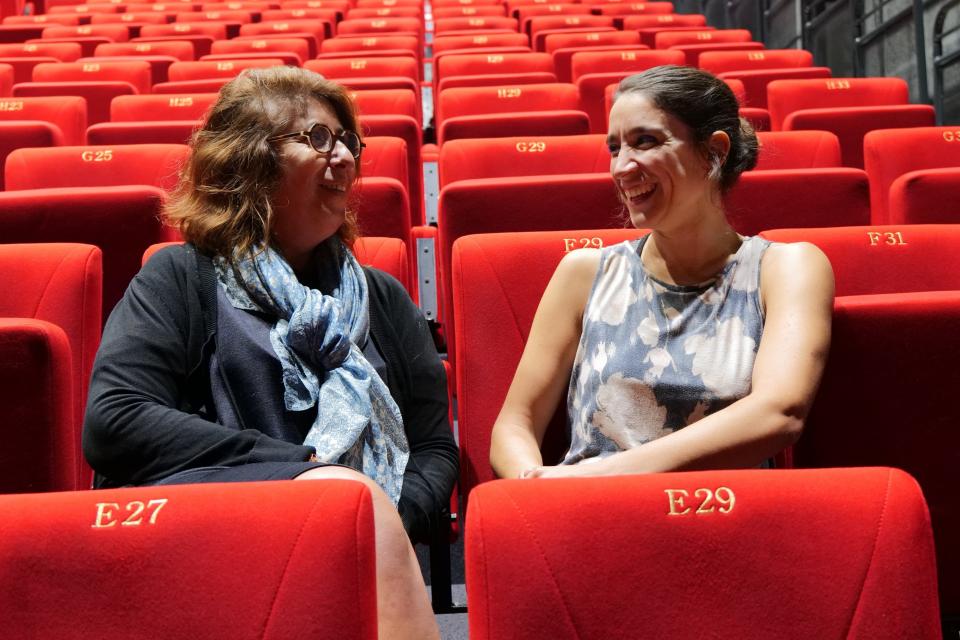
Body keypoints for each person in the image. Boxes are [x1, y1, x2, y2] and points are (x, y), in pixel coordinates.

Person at [82, 66, 454, 640]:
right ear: (250, 162)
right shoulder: (180, 277)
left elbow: (432, 447)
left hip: (366, 538)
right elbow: (116, 420)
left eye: (348, 141)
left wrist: (378, 521)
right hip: (216, 531)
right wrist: (304, 472)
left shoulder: (382, 297)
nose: (346, 159)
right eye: (319, 139)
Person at [489, 65, 834, 480]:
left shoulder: (786, 267)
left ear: (715, 151)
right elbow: (514, 424)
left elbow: (779, 412)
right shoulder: (583, 272)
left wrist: (594, 479)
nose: (621, 167)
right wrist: (534, 485)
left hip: (722, 516)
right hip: (582, 515)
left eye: (645, 142)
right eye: (615, 148)